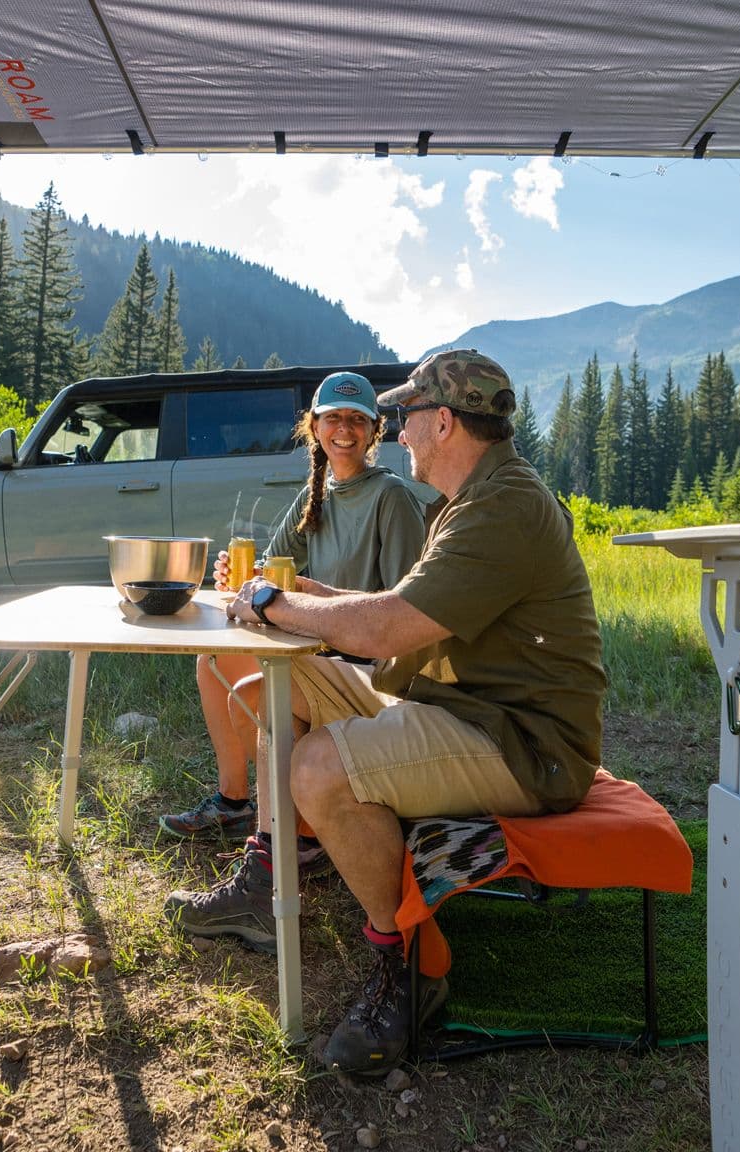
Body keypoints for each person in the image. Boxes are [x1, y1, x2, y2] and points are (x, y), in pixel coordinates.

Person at [175, 348, 607, 1073]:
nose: (396, 431)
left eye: (404, 416)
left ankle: (407, 966)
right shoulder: (472, 498)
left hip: (523, 741)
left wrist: (276, 601)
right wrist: (307, 590)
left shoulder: (506, 509)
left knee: (319, 767)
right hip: (462, 706)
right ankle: (269, 874)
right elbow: (395, 612)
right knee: (277, 688)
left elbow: (387, 629)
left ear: (444, 421)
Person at [157, 372, 429, 860]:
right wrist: (238, 576)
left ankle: (303, 837)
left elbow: (403, 610)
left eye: (356, 419)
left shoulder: (391, 497)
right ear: (314, 426)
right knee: (212, 659)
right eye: (332, 418)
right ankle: (233, 800)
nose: (343, 429)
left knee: (260, 691)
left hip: (367, 661)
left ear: (374, 431)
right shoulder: (315, 496)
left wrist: (306, 602)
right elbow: (270, 570)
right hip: (318, 643)